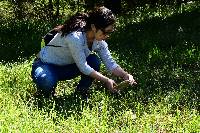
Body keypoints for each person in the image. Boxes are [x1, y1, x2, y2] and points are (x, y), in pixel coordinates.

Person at [31, 6, 137, 99]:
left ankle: (81, 92)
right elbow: (83, 67)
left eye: (110, 32)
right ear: (94, 27)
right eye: (106, 31)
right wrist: (106, 80)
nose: (107, 36)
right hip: (46, 65)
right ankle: (46, 95)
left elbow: (110, 63)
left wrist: (125, 75)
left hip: (68, 67)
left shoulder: (99, 42)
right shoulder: (75, 37)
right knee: (46, 80)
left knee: (94, 61)